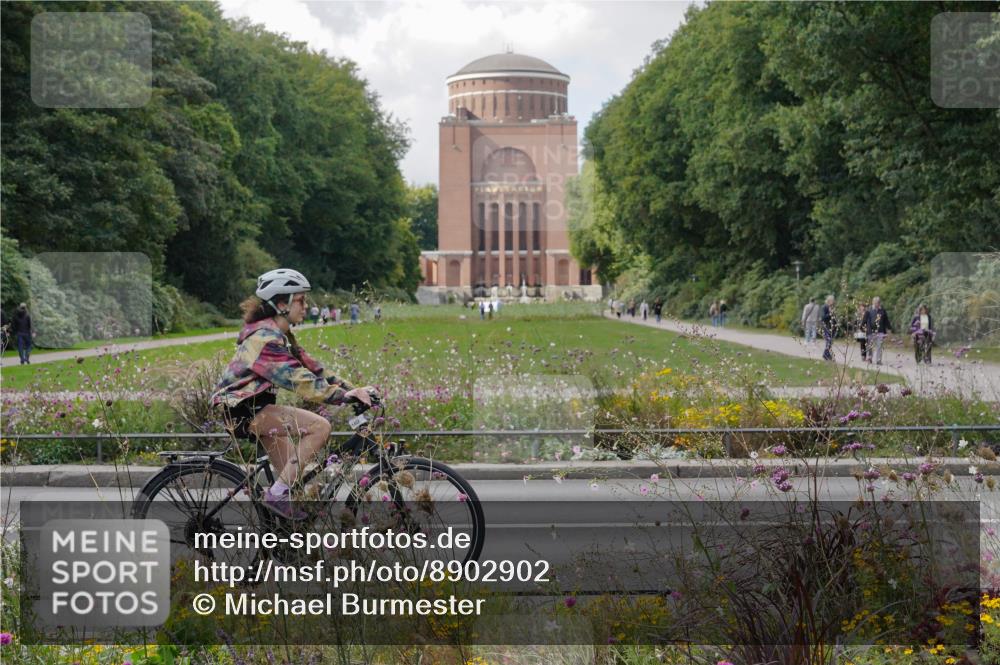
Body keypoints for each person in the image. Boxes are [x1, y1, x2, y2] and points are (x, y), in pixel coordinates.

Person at [210, 268, 376, 519]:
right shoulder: (264, 338)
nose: (305, 306)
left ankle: (284, 542)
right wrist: (341, 396)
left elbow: (313, 367)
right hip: (243, 411)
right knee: (320, 427)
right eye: (300, 300)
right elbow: (298, 379)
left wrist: (353, 389)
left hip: (256, 409)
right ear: (281, 303)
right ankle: (275, 496)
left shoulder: (279, 334)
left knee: (296, 484)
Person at [862, 296, 893, 365]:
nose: (876, 304)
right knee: (870, 345)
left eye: (878, 303)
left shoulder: (882, 310)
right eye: (875, 303)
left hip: (880, 331)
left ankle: (878, 360)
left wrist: (889, 328)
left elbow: (886, 320)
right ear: (873, 303)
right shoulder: (869, 310)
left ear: (879, 303)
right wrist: (862, 327)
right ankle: (870, 358)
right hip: (870, 331)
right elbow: (864, 320)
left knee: (879, 345)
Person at [821, 295, 836, 361]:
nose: (833, 302)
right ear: (829, 300)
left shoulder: (832, 307)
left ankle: (827, 354)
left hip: (832, 327)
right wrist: (830, 313)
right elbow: (823, 317)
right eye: (832, 300)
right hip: (826, 326)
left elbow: (833, 317)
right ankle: (826, 354)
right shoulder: (825, 307)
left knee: (830, 341)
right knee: (828, 341)